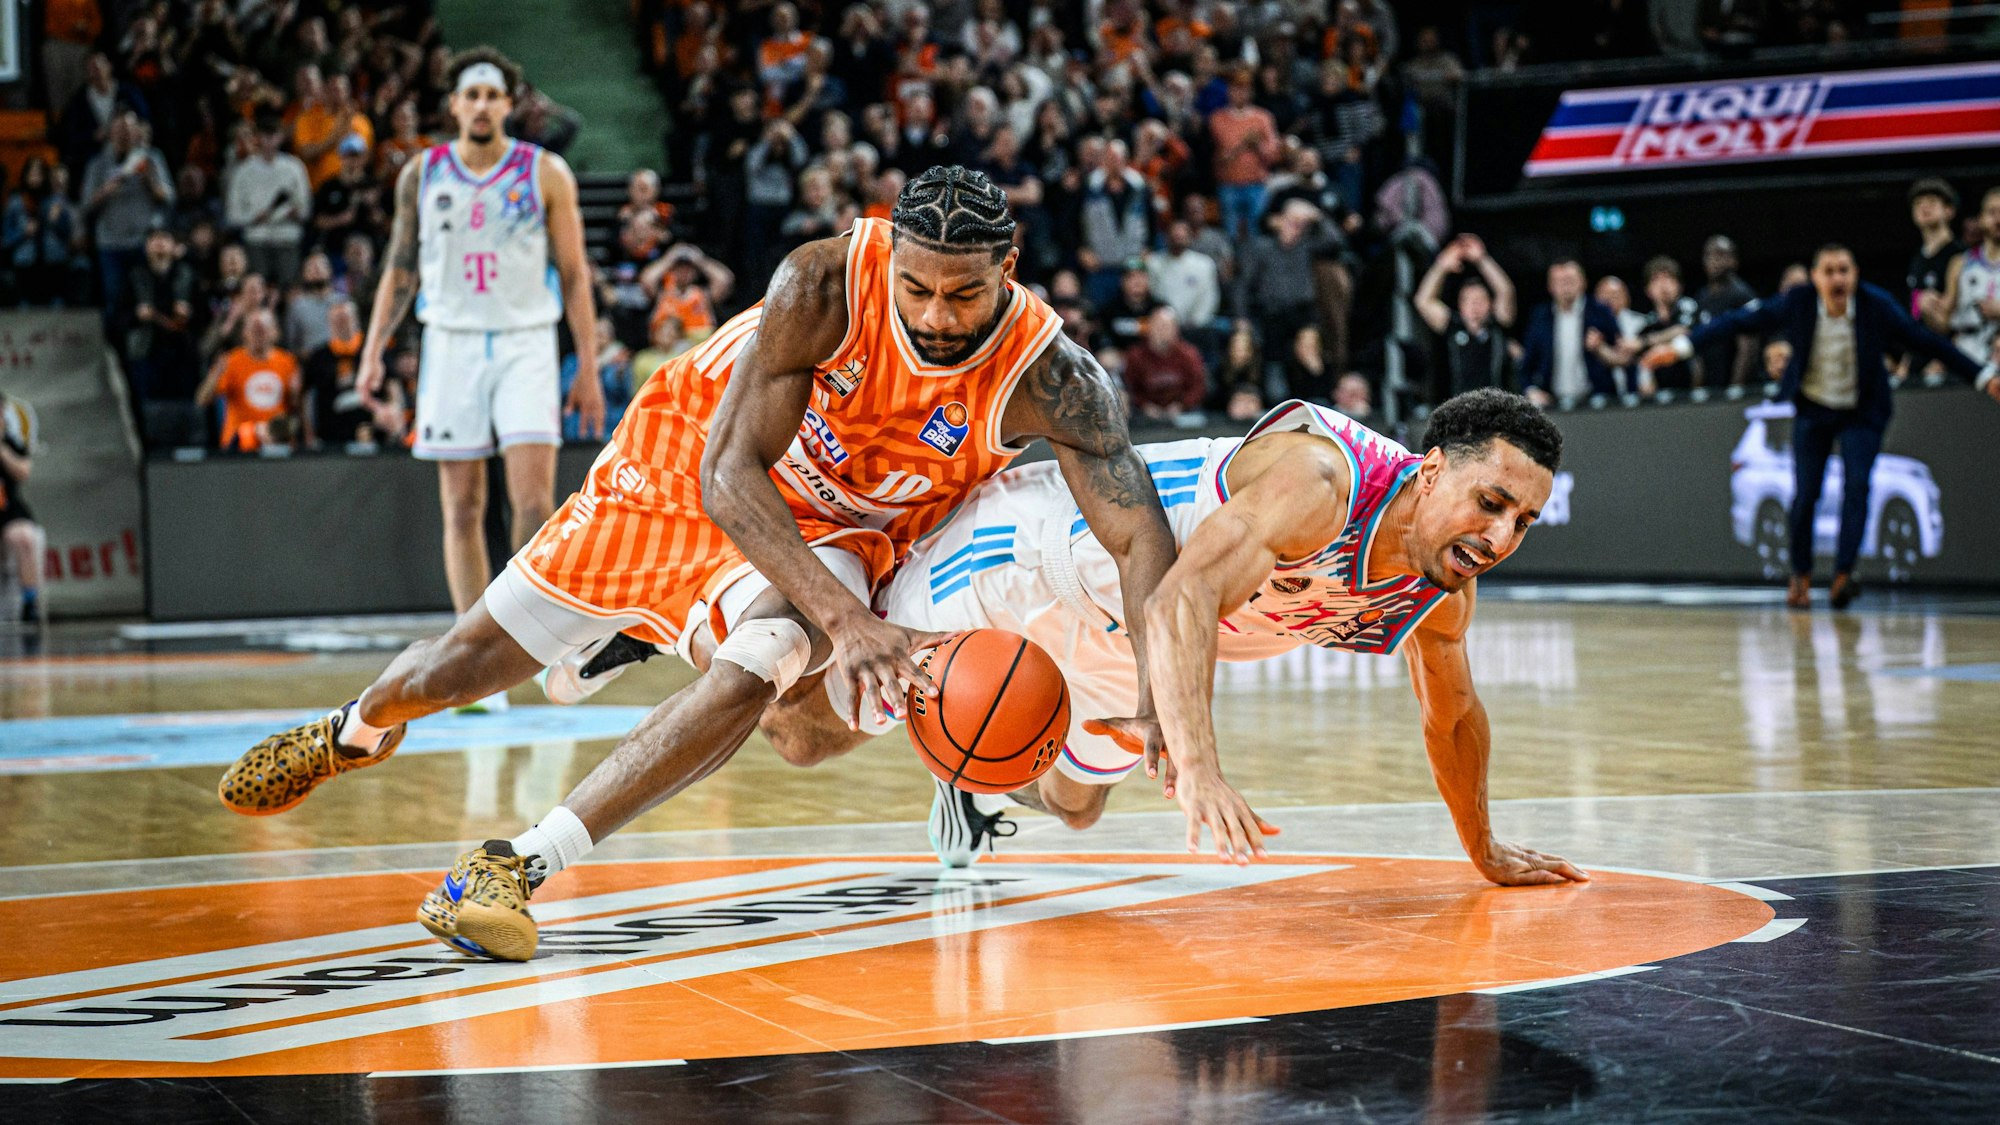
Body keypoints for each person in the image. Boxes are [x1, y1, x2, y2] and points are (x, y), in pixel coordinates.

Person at [215, 167, 1179, 964]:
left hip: (839, 527)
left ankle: (513, 865)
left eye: (963, 293)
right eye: (917, 287)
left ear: (1008, 268)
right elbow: (728, 475)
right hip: (690, 464)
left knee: (773, 681)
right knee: (451, 670)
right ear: (890, 251)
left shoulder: (1056, 377)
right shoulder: (824, 283)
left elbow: (1139, 535)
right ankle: (354, 729)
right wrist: (847, 621)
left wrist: (1161, 695)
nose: (934, 313)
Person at [744, 389, 1587, 885]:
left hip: (1133, 643)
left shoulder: (1442, 591)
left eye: (1523, 520)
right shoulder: (1324, 479)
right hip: (1048, 558)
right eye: (1491, 502)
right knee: (805, 734)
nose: (1501, 535)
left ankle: (971, 786)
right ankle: (758, 601)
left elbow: (1453, 717)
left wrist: (1483, 847)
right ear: (1432, 471)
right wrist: (1200, 766)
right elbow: (1184, 594)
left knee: (1076, 805)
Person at [341, 50, 603, 712]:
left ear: (508, 104)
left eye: (492, 94)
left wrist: (587, 364)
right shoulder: (422, 173)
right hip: (451, 344)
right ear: (454, 105)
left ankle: (540, 646)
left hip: (525, 342)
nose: (482, 104)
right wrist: (373, 351)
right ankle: (471, 661)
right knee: (461, 505)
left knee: (533, 503)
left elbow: (575, 273)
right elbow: (400, 266)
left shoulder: (546, 171)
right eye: (472, 95)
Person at [1644, 244, 1999, 610]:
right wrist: (1682, 347)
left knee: (1857, 486)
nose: (1837, 278)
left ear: (1855, 275)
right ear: (1815, 278)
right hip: (1814, 409)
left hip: (1862, 412)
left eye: (1844, 270)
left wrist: (1984, 377)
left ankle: (1844, 575)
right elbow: (1736, 322)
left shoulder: (1875, 305)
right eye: (1828, 271)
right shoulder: (1797, 302)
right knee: (1805, 496)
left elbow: (1927, 341)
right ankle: (1800, 573)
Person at [81, 112, 174, 322]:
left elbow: (169, 197)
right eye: (119, 129)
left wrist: (150, 181)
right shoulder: (98, 164)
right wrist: (107, 189)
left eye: (129, 129)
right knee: (115, 299)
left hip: (144, 242)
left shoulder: (151, 158)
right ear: (111, 132)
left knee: (147, 302)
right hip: (111, 243)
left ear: (136, 131)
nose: (124, 134)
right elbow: (86, 205)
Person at [1414, 234, 1516, 398]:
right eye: (1468, 300)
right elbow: (1423, 301)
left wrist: (1482, 259)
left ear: (1490, 304)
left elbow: (1505, 291)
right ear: (1460, 305)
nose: (1474, 305)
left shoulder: (1497, 326)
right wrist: (1441, 265)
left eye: (1480, 300)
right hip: (1460, 405)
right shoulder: (1453, 326)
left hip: (1497, 405)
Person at [1519, 259, 1623, 406]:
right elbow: (1527, 364)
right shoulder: (1540, 317)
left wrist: (1601, 348)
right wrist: (1531, 390)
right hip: (1553, 402)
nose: (1565, 286)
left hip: (1598, 401)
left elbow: (1623, 356)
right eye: (1559, 281)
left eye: (1570, 280)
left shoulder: (1601, 312)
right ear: (1550, 286)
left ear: (1583, 282)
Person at [197, 308, 300, 453]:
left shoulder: (288, 362)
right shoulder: (230, 361)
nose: (258, 335)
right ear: (244, 333)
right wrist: (215, 375)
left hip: (277, 439)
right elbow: (202, 400)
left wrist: (295, 393)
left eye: (262, 330)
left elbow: (295, 407)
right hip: (240, 441)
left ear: (274, 332)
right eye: (254, 330)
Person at [303, 300, 403, 448]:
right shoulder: (319, 357)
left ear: (355, 319)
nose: (341, 323)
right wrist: (309, 433)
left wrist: (394, 414)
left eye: (345, 318)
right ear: (329, 323)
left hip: (373, 431)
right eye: (336, 319)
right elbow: (306, 397)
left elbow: (392, 385)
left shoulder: (373, 350)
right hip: (331, 434)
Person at [225, 117, 312, 285]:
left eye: (274, 135)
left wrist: (296, 213)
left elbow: (305, 208)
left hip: (287, 238)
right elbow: (233, 214)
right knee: (257, 287)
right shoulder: (244, 171)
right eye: (265, 135)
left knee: (288, 288)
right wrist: (253, 217)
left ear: (281, 137)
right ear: (257, 137)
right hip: (256, 239)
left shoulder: (294, 167)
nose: (269, 140)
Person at [1930, 187, 2000, 367]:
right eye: (1992, 212)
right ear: (1981, 219)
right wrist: (1928, 309)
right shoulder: (1960, 263)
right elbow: (1945, 322)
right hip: (1967, 355)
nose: (1998, 219)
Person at [0, 393, 44, 630]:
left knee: (24, 537)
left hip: (8, 510)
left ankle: (30, 602)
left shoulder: (12, 443)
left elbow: (23, 472)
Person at [1123, 306, 1207, 421]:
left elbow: (1198, 386)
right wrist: (1144, 406)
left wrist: (1182, 405)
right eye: (1158, 327)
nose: (1162, 332)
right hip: (1145, 414)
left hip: (1182, 412)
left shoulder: (1189, 354)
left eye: (1167, 327)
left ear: (1176, 330)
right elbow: (1130, 389)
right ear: (1149, 328)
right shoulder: (1135, 356)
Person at [1695, 235, 1758, 387]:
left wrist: (1735, 387)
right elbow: (1698, 345)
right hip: (1710, 384)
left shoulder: (1742, 295)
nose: (1714, 260)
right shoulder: (1702, 297)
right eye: (1709, 255)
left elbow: (1748, 348)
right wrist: (1698, 387)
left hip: (1735, 385)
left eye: (1720, 254)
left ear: (1733, 260)